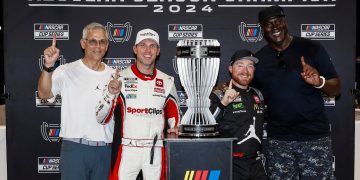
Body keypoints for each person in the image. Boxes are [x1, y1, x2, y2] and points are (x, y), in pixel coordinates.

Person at [254, 5, 341, 179]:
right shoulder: (259, 60)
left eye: (278, 21)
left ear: (285, 22)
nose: (275, 27)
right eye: (269, 24)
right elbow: (249, 90)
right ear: (262, 29)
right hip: (278, 141)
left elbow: (336, 88)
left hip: (314, 138)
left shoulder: (311, 48)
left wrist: (319, 82)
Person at [95, 28, 181, 180]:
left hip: (155, 151)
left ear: (158, 50)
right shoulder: (119, 78)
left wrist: (175, 130)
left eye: (152, 45)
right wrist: (110, 93)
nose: (148, 50)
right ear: (135, 49)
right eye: (143, 45)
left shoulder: (167, 81)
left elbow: (175, 120)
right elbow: (101, 118)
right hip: (127, 150)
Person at [37, 22, 114, 180]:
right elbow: (44, 94)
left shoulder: (115, 75)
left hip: (104, 151)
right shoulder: (66, 71)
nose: (98, 46)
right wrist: (48, 66)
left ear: (107, 46)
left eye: (102, 42)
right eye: (93, 41)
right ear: (83, 43)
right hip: (75, 149)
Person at [210, 49, 267, 180]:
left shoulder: (258, 94)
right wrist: (223, 103)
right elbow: (208, 125)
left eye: (250, 66)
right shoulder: (218, 94)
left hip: (256, 163)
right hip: (230, 164)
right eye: (240, 65)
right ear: (230, 68)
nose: (245, 71)